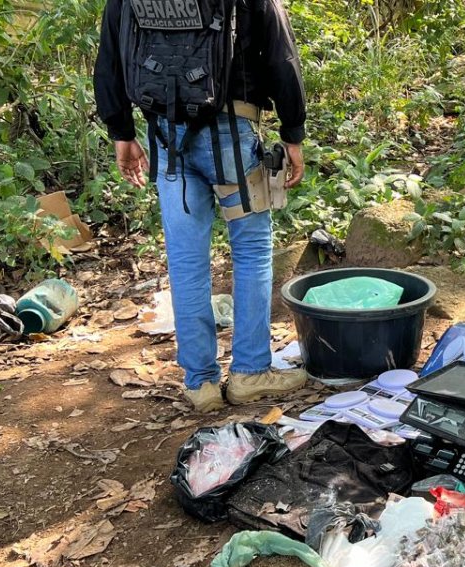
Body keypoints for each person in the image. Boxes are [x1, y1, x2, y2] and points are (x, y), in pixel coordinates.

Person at [94, 0, 309, 413]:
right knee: (251, 251)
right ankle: (249, 372)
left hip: (165, 137)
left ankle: (200, 382)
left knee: (186, 260)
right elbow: (281, 56)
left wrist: (121, 131)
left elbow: (110, 59)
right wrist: (292, 133)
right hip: (232, 134)